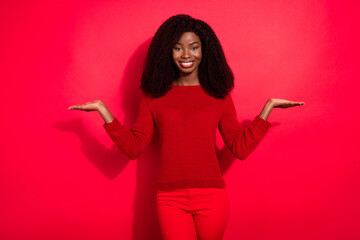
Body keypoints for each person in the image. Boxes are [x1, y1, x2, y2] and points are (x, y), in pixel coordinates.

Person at [68, 14, 304, 240]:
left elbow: (239, 147)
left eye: (194, 46)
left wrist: (268, 108)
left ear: (204, 50)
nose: (186, 54)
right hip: (170, 199)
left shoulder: (219, 96)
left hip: (212, 196)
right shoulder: (154, 97)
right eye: (178, 47)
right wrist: (103, 111)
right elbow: (133, 148)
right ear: (166, 52)